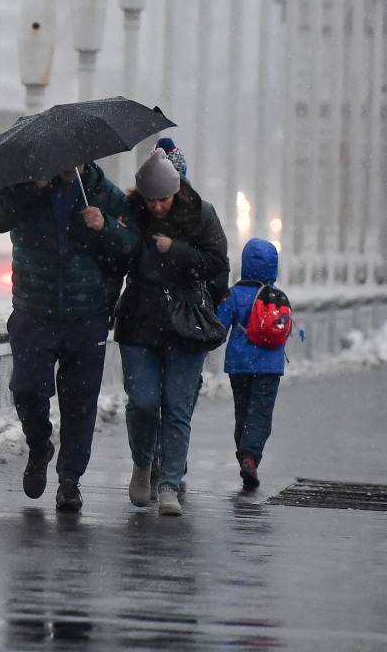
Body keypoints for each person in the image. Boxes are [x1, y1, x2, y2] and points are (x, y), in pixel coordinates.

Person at [0, 162, 138, 513]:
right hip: (33, 310)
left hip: (88, 314)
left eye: (76, 161)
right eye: (62, 162)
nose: (70, 167)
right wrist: (29, 188)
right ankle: (39, 446)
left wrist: (106, 226)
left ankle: (70, 481)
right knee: (27, 388)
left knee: (80, 403)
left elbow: (131, 246)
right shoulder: (26, 183)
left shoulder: (101, 190)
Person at [114, 148, 229, 516]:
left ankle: (169, 485)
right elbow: (114, 259)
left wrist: (176, 250)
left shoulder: (201, 215)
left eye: (163, 199)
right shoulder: (130, 214)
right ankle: (142, 462)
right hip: (139, 319)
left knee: (177, 407)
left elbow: (217, 265)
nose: (158, 207)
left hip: (186, 322)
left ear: (176, 191)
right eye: (151, 200)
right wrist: (108, 233)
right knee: (144, 402)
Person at [215, 238, 288, 490]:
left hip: (240, 364)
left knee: (243, 411)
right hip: (269, 365)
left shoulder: (234, 294)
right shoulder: (278, 297)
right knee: (260, 413)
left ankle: (245, 456)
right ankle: (251, 457)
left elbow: (219, 326)